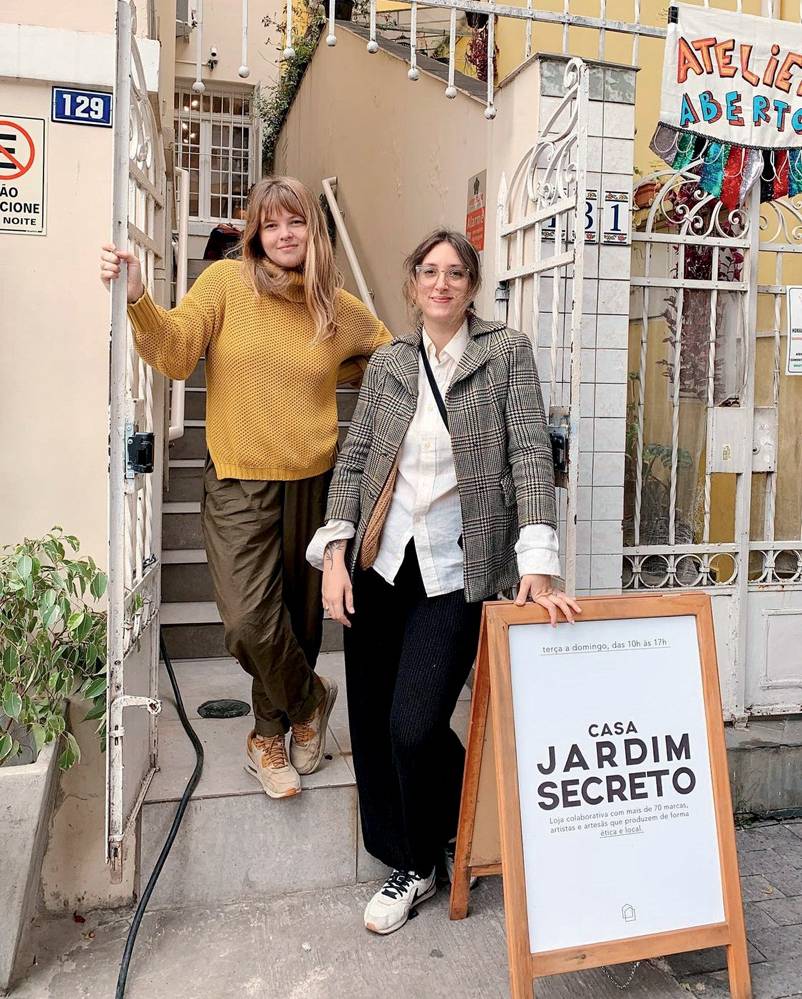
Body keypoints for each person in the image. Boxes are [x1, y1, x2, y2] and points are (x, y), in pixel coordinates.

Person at [306, 229, 580, 934]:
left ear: (471, 284)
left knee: (415, 721)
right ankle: (416, 852)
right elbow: (355, 458)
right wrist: (335, 557)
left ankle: (427, 857)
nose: (441, 283)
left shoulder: (504, 352)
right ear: (412, 282)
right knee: (374, 724)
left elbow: (527, 452)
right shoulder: (391, 362)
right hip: (381, 562)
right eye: (429, 270)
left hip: (456, 568)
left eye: (456, 272)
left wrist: (537, 564)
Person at [100, 176, 392, 799]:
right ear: (256, 233)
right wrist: (137, 298)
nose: (285, 235)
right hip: (238, 477)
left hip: (314, 480)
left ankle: (267, 737)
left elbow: (388, 356)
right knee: (249, 623)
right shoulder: (224, 285)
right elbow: (177, 354)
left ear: (314, 231)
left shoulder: (335, 306)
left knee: (301, 622)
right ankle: (311, 701)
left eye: (297, 223)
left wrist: (352, 380)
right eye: (271, 224)